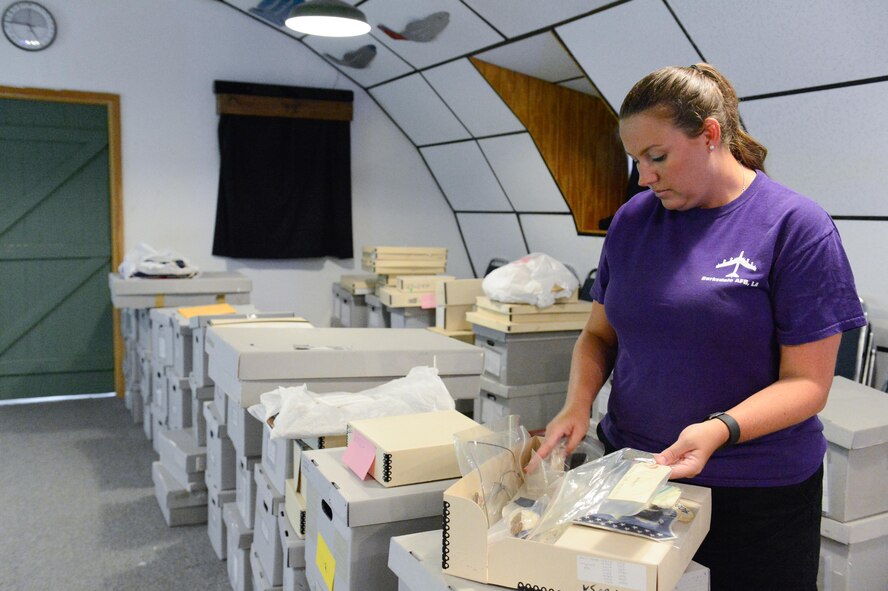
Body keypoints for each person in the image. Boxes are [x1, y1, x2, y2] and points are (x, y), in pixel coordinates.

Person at [537, 63, 866, 591]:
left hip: (754, 494)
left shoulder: (794, 226)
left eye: (657, 156)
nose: (644, 176)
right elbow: (599, 335)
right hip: (636, 475)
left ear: (711, 134)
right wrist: (576, 404)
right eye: (636, 160)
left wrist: (720, 429)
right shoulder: (633, 221)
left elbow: (808, 384)